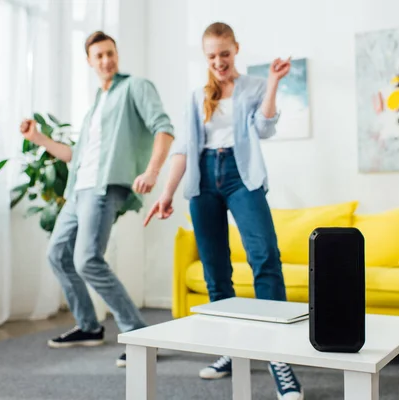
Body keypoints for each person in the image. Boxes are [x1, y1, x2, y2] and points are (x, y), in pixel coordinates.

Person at [144, 22, 304, 400]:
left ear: (236, 50)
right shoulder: (196, 96)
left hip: (240, 175)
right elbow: (183, 147)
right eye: (212, 55)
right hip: (202, 179)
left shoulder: (252, 86)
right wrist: (167, 193)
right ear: (206, 57)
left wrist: (274, 82)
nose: (219, 61)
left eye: (225, 53)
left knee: (265, 257)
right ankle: (228, 349)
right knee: (216, 270)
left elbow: (264, 128)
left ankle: (278, 358)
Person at [20, 31, 174, 367]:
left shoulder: (135, 87)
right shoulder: (95, 106)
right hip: (78, 190)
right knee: (58, 254)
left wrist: (152, 171)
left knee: (87, 259)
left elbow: (164, 127)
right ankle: (89, 327)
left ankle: (140, 337)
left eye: (110, 53)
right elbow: (75, 156)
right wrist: (38, 138)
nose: (106, 60)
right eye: (99, 56)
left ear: (116, 55)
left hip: (105, 188)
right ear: (89, 62)